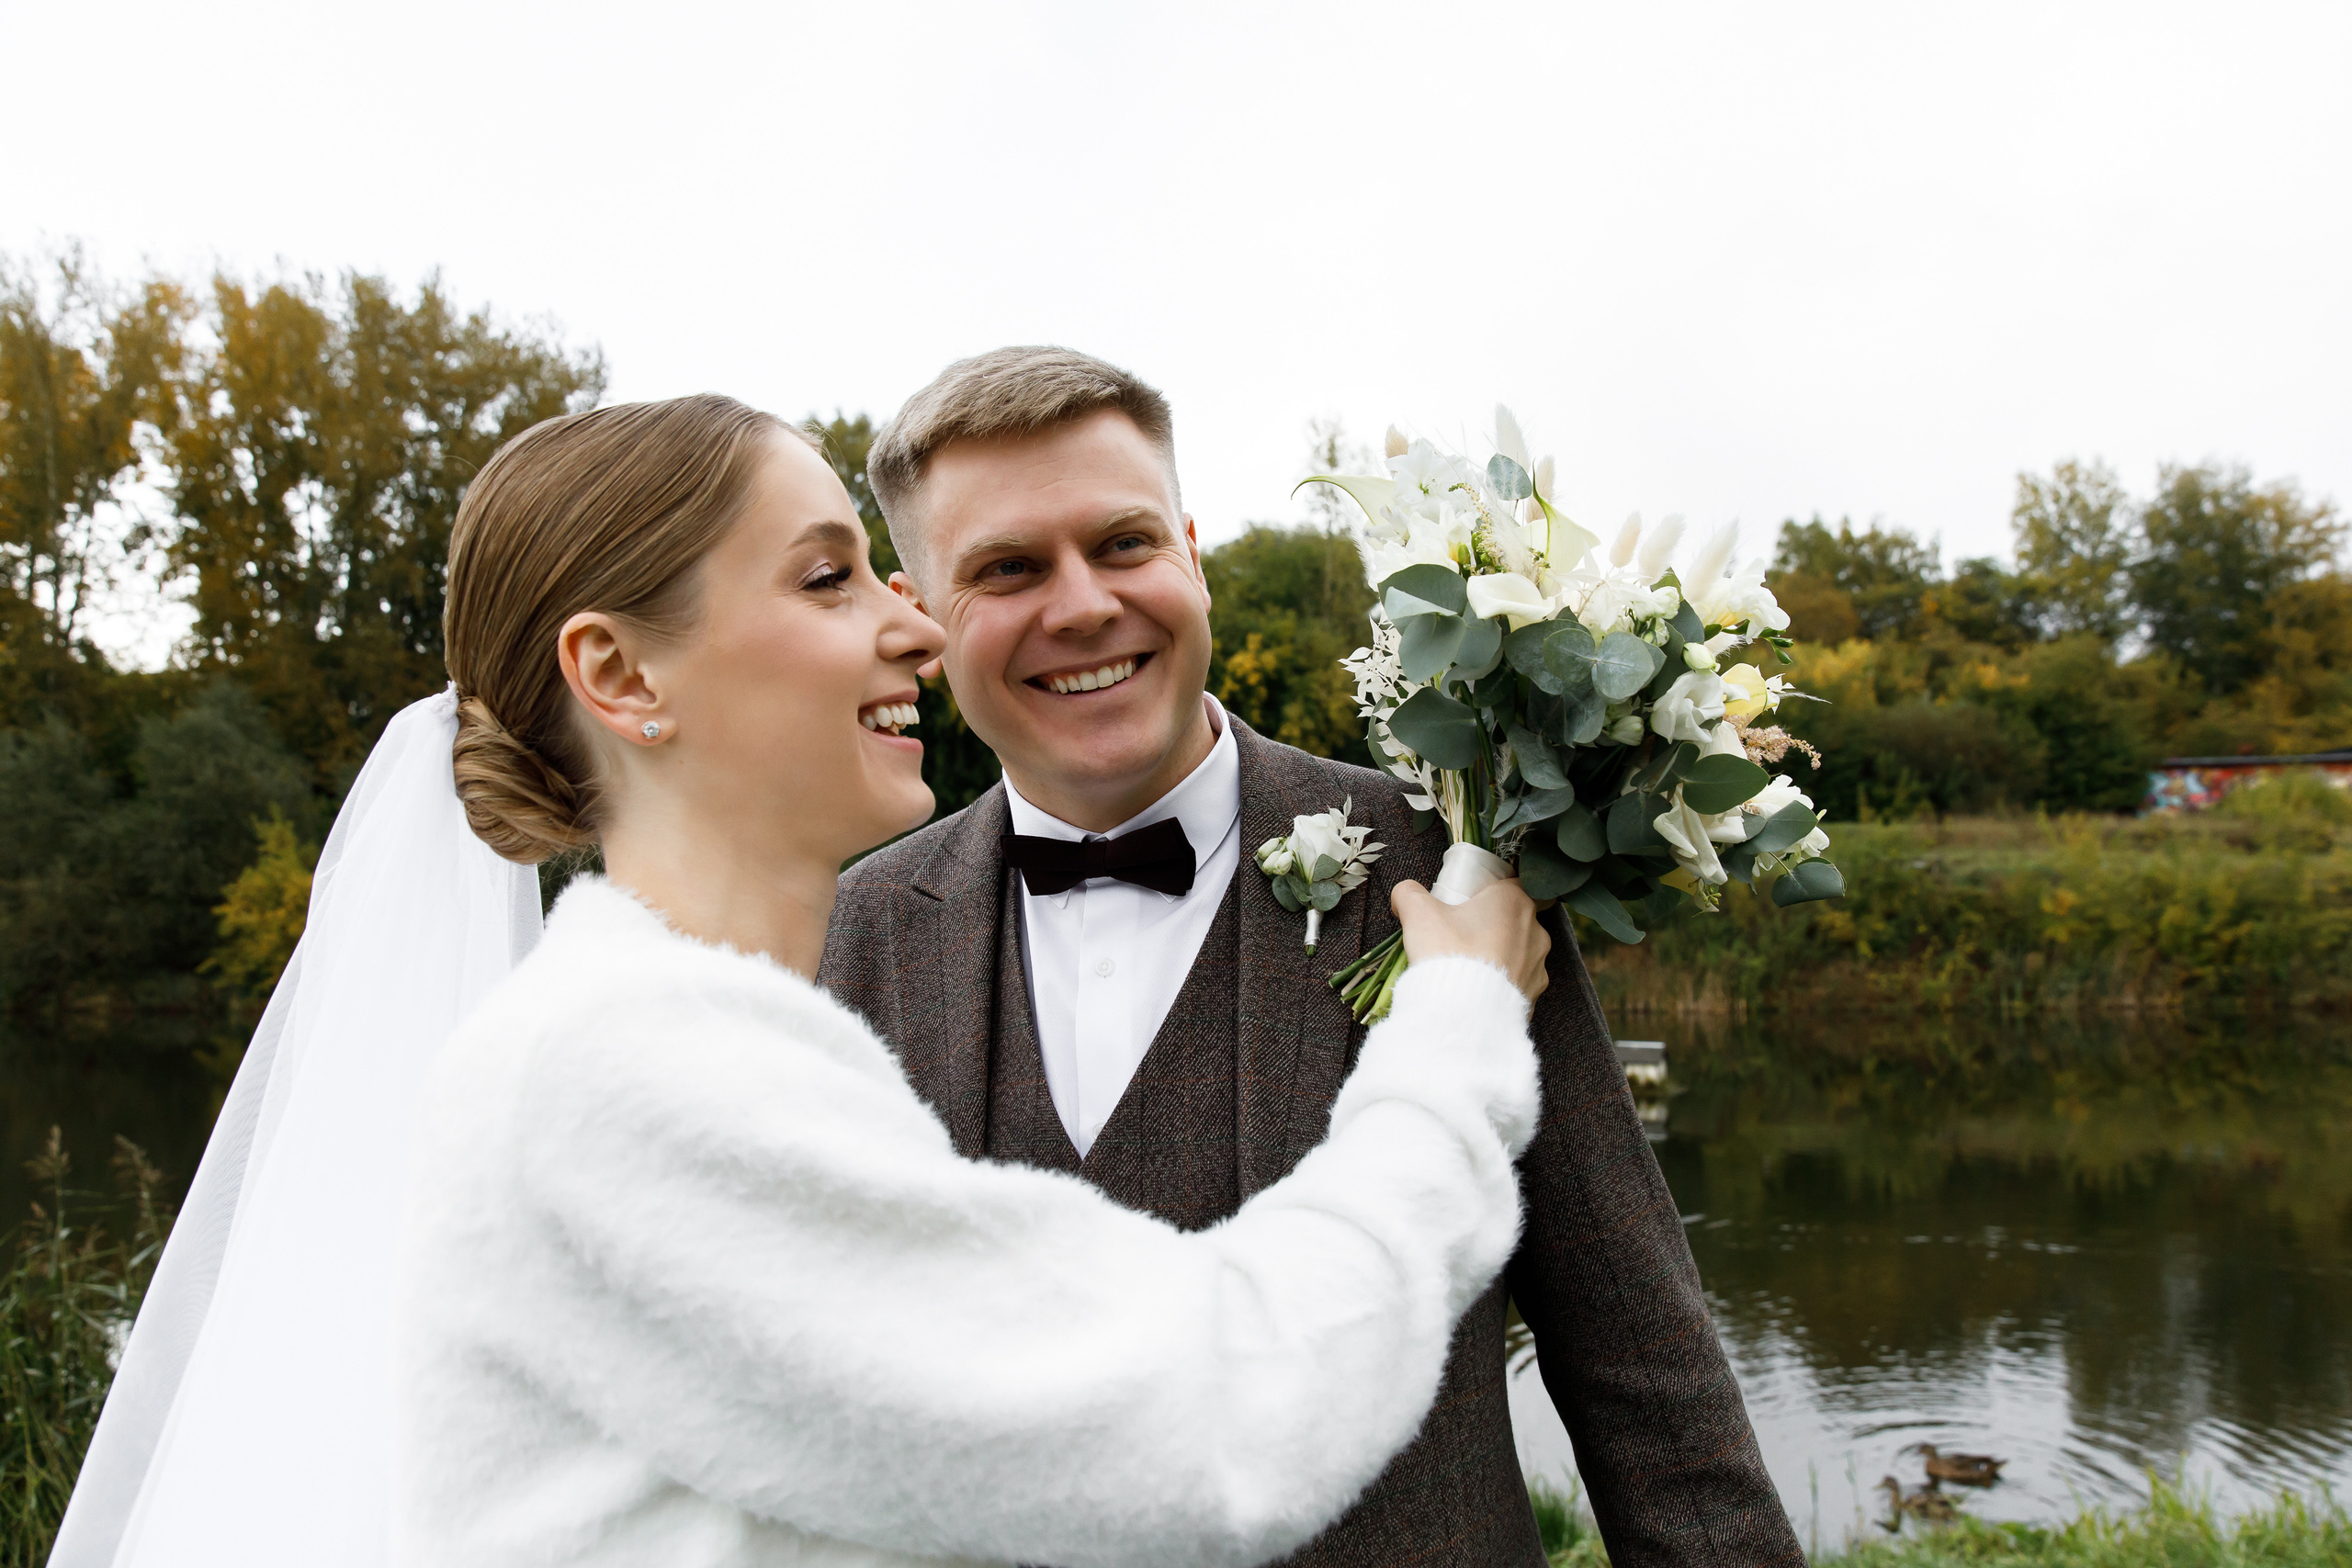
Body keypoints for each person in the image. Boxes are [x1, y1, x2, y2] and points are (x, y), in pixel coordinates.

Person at [401, 395, 1557, 1566]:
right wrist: (1454, 1037)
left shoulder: (680, 1034)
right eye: (826, 580)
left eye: (1123, 542)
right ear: (621, 676)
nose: (917, 633)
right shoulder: (624, 1072)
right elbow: (1218, 1423)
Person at [821, 348, 1806, 1568]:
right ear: (920, 610)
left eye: (1123, 543)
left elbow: (1640, 1360)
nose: (1081, 604)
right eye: (1009, 568)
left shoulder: (1459, 860)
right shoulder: (864, 923)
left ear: (1191, 551)